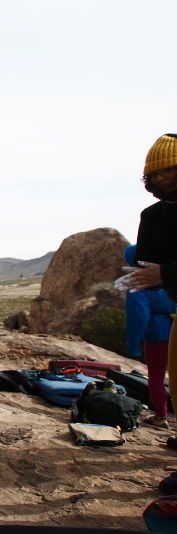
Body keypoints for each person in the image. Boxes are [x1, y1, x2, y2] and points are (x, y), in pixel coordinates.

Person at [129, 134, 177, 426]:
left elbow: (162, 271)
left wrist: (166, 273)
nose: (162, 178)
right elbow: (147, 261)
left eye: (169, 169)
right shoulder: (153, 216)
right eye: (155, 173)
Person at [124, 244, 176, 429]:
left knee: (156, 377)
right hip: (173, 326)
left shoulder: (139, 281)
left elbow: (138, 315)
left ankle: (161, 416)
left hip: (157, 334)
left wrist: (133, 346)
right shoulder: (167, 275)